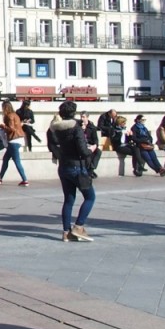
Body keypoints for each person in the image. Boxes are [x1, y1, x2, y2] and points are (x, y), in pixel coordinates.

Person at [48, 100, 96, 242]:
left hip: (64, 166)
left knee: (68, 200)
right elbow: (82, 149)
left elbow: (52, 145)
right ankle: (79, 226)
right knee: (90, 197)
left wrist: (60, 155)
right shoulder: (76, 127)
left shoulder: (56, 128)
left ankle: (66, 232)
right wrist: (90, 150)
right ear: (73, 112)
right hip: (77, 167)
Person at [0, 100, 28, 185]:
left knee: (17, 161)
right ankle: (0, 177)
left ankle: (25, 180)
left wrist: (2, 126)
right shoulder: (15, 115)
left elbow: (11, 129)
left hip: (13, 140)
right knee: (5, 158)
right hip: (19, 138)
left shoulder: (9, 116)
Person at [79, 112, 101, 178]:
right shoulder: (78, 126)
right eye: (81, 117)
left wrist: (95, 145)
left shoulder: (92, 127)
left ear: (87, 117)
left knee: (98, 152)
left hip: (90, 145)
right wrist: (82, 130)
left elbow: (95, 139)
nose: (82, 118)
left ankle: (91, 169)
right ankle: (90, 172)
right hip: (82, 145)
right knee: (88, 154)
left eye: (84, 117)